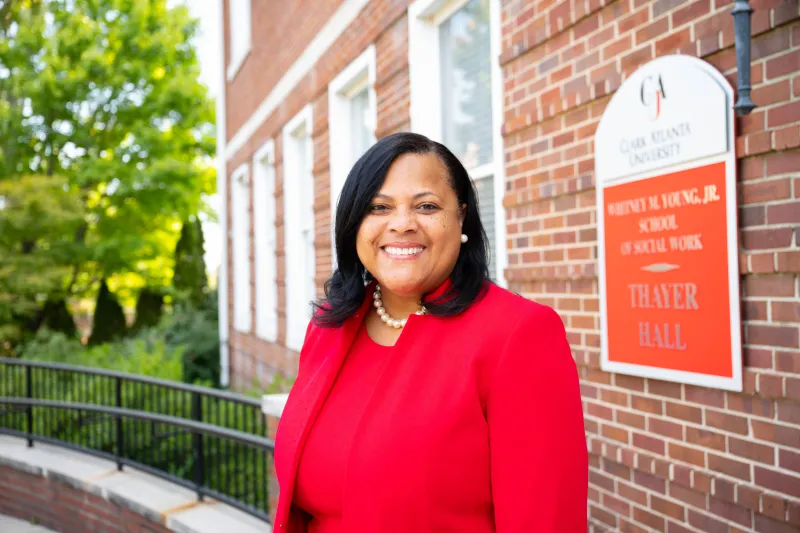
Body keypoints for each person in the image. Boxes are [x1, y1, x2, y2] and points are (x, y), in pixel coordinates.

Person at [273, 132, 587, 532]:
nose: (402, 224)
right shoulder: (330, 326)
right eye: (378, 207)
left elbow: (545, 520)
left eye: (426, 206)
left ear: (461, 219)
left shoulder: (518, 334)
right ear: (355, 225)